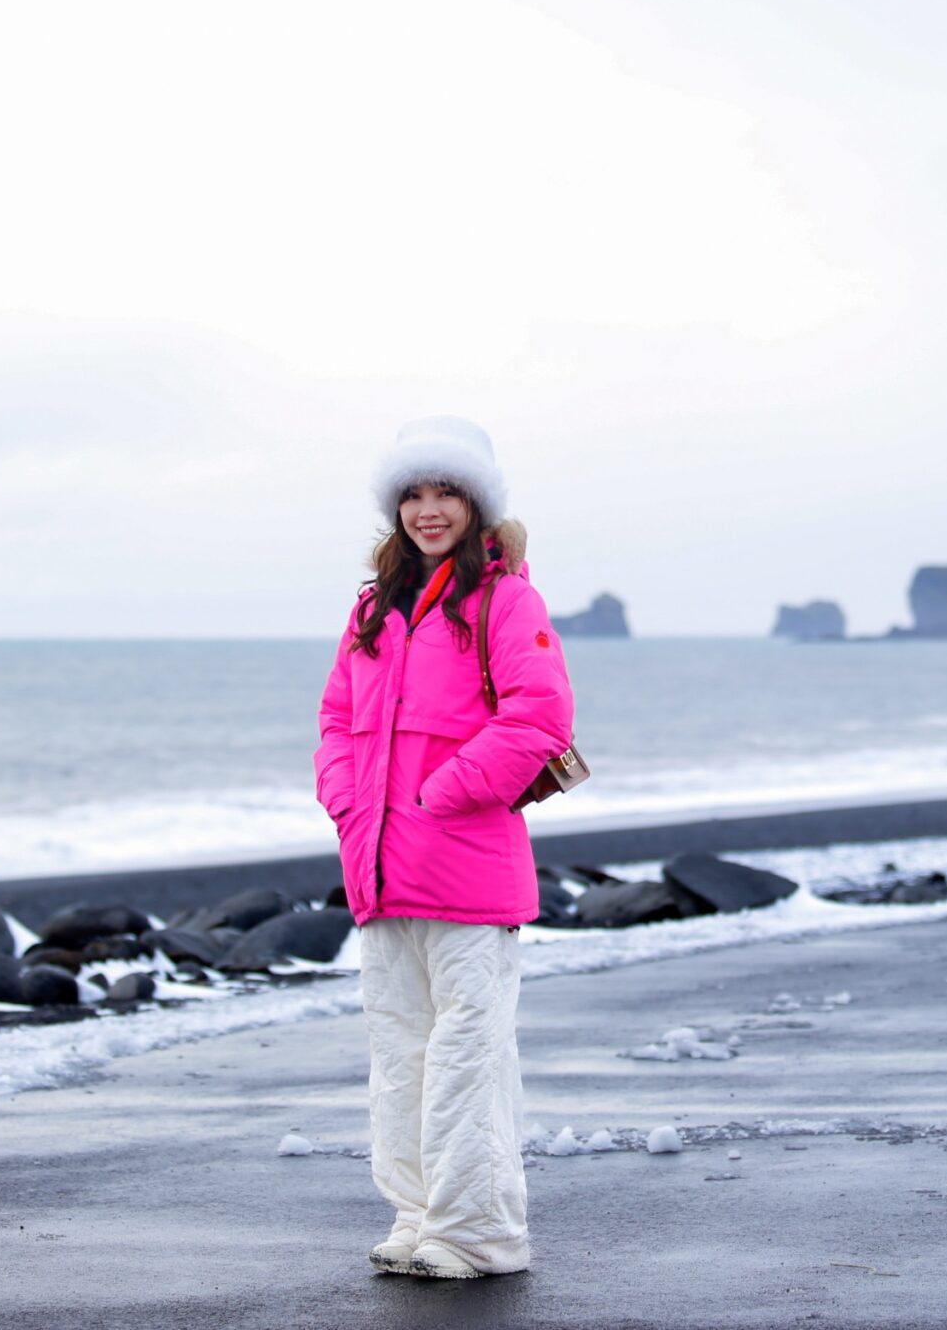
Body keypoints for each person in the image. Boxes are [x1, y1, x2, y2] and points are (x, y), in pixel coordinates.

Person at [311, 416, 573, 1281]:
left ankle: (479, 1234)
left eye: (447, 491)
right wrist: (347, 801)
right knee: (400, 1054)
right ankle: (420, 1215)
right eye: (413, 494)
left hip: (466, 868)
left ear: (477, 501)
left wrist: (440, 793)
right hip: (381, 871)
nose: (428, 510)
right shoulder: (373, 607)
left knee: (467, 1057)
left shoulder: (506, 599)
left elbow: (539, 718)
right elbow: (337, 720)